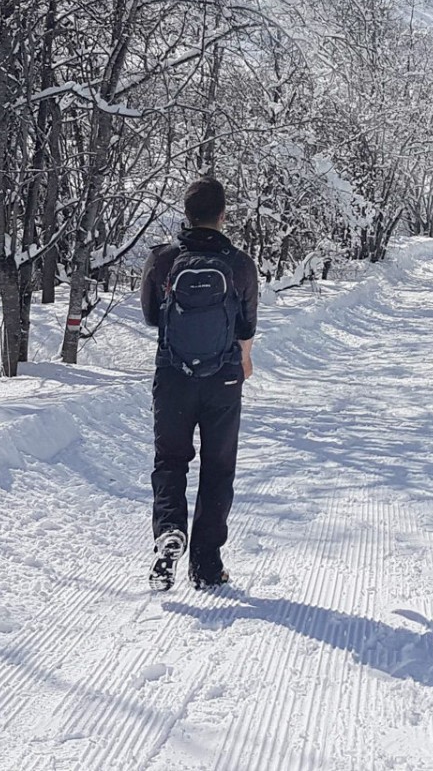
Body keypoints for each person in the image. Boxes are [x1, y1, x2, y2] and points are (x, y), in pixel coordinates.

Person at [140, 177, 259, 591]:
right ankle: (207, 564)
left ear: (186, 214)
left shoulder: (163, 260)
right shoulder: (241, 264)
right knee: (218, 467)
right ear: (223, 215)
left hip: (173, 375)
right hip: (224, 378)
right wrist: (243, 358)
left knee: (171, 461)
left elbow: (153, 317)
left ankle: (169, 531)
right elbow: (247, 324)